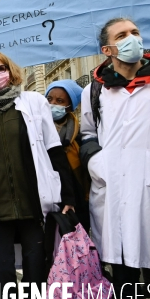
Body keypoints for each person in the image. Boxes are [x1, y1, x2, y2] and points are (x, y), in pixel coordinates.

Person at [0, 52, 75, 299]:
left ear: (11, 72)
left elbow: (54, 150)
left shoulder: (33, 102)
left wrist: (68, 196)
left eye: (1, 69)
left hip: (32, 206)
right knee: (3, 277)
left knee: (37, 274)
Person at [80, 18, 150, 299]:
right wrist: (97, 163)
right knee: (124, 279)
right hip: (114, 196)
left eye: (135, 33)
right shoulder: (95, 92)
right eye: (122, 35)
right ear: (108, 49)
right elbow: (88, 134)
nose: (132, 39)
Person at [44, 79, 90, 230]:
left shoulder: (79, 136)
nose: (52, 104)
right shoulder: (35, 130)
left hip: (74, 202)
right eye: (49, 99)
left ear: (70, 107)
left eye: (59, 101)